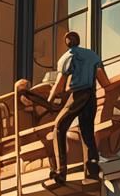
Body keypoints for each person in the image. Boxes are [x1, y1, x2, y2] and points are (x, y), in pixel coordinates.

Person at [46, 31, 110, 186]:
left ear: (67, 42)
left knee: (59, 126)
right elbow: (104, 81)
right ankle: (92, 174)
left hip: (78, 95)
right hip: (91, 96)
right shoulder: (92, 55)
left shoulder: (68, 57)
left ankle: (61, 172)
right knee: (87, 132)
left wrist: (50, 99)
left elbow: (60, 83)